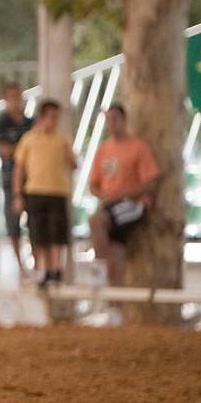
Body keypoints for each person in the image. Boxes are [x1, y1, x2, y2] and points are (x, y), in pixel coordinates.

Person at [88, 103, 162, 286]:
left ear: (124, 120)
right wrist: (105, 196)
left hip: (132, 204)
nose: (111, 123)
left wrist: (123, 194)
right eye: (108, 119)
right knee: (115, 252)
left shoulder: (138, 147)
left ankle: (99, 267)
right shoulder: (104, 149)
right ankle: (116, 307)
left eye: (115, 119)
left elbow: (151, 182)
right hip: (110, 206)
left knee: (96, 220)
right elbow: (93, 184)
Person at [11, 99, 77, 288]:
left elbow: (74, 164)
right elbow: (19, 169)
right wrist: (17, 194)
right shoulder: (29, 139)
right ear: (42, 117)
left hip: (57, 192)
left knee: (56, 233)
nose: (54, 121)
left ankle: (56, 269)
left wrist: (68, 154)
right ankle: (44, 270)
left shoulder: (62, 139)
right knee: (40, 235)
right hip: (35, 191)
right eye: (51, 117)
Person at [0, 81, 34, 276]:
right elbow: (6, 150)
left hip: (32, 180)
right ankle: (20, 266)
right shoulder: (2, 122)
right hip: (10, 179)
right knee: (13, 223)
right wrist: (25, 151)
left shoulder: (30, 123)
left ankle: (36, 263)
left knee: (34, 221)